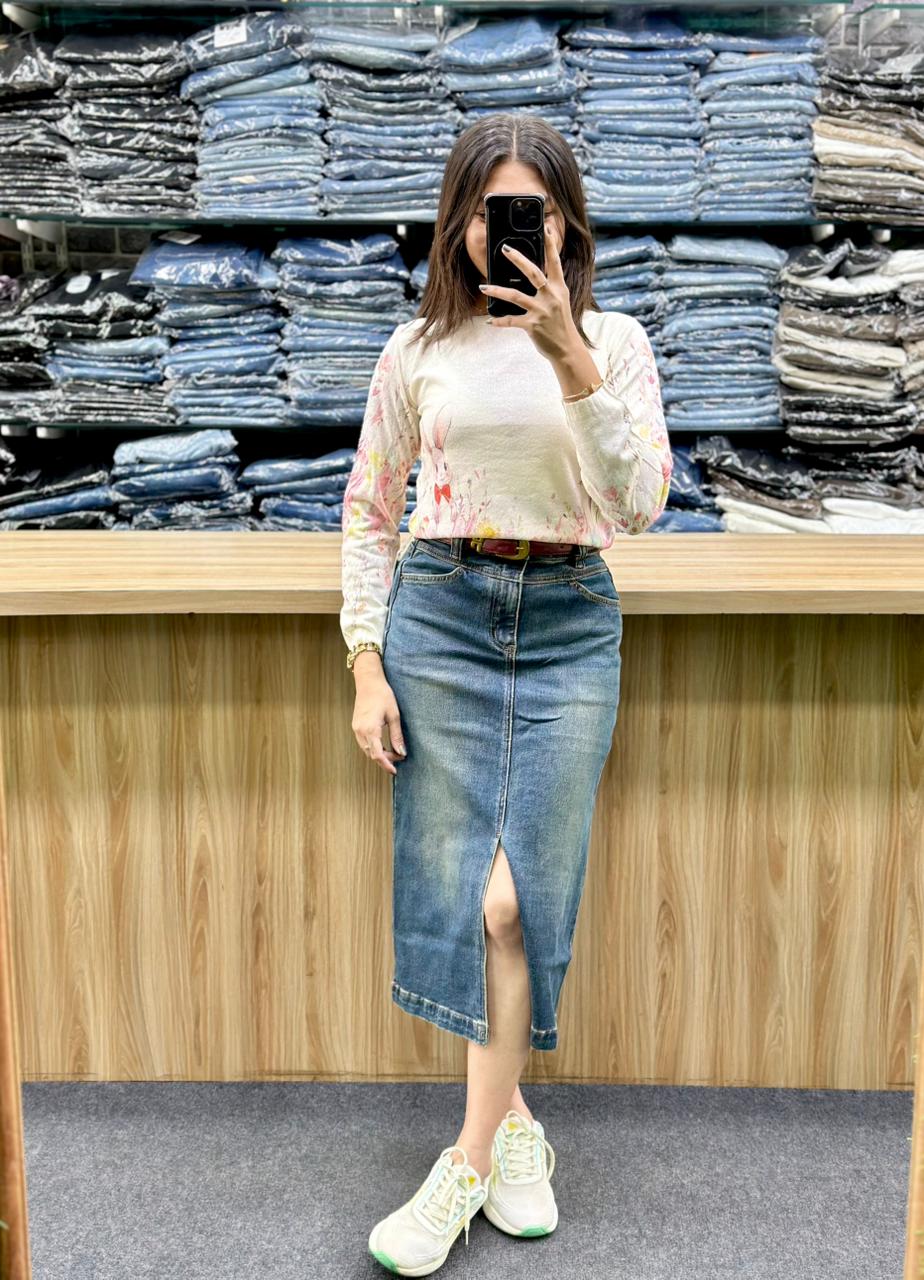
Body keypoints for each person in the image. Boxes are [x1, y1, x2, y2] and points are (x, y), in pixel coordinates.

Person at [340, 111, 673, 1276]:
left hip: (571, 622)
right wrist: (366, 661)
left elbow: (641, 505)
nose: (513, 230)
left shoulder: (615, 342)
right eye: (493, 211)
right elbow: (370, 509)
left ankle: (465, 1159)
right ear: (461, 223)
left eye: (536, 210)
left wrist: (570, 355)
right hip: (439, 617)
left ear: (568, 224)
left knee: (515, 902)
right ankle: (515, 1126)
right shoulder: (416, 349)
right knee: (467, 897)